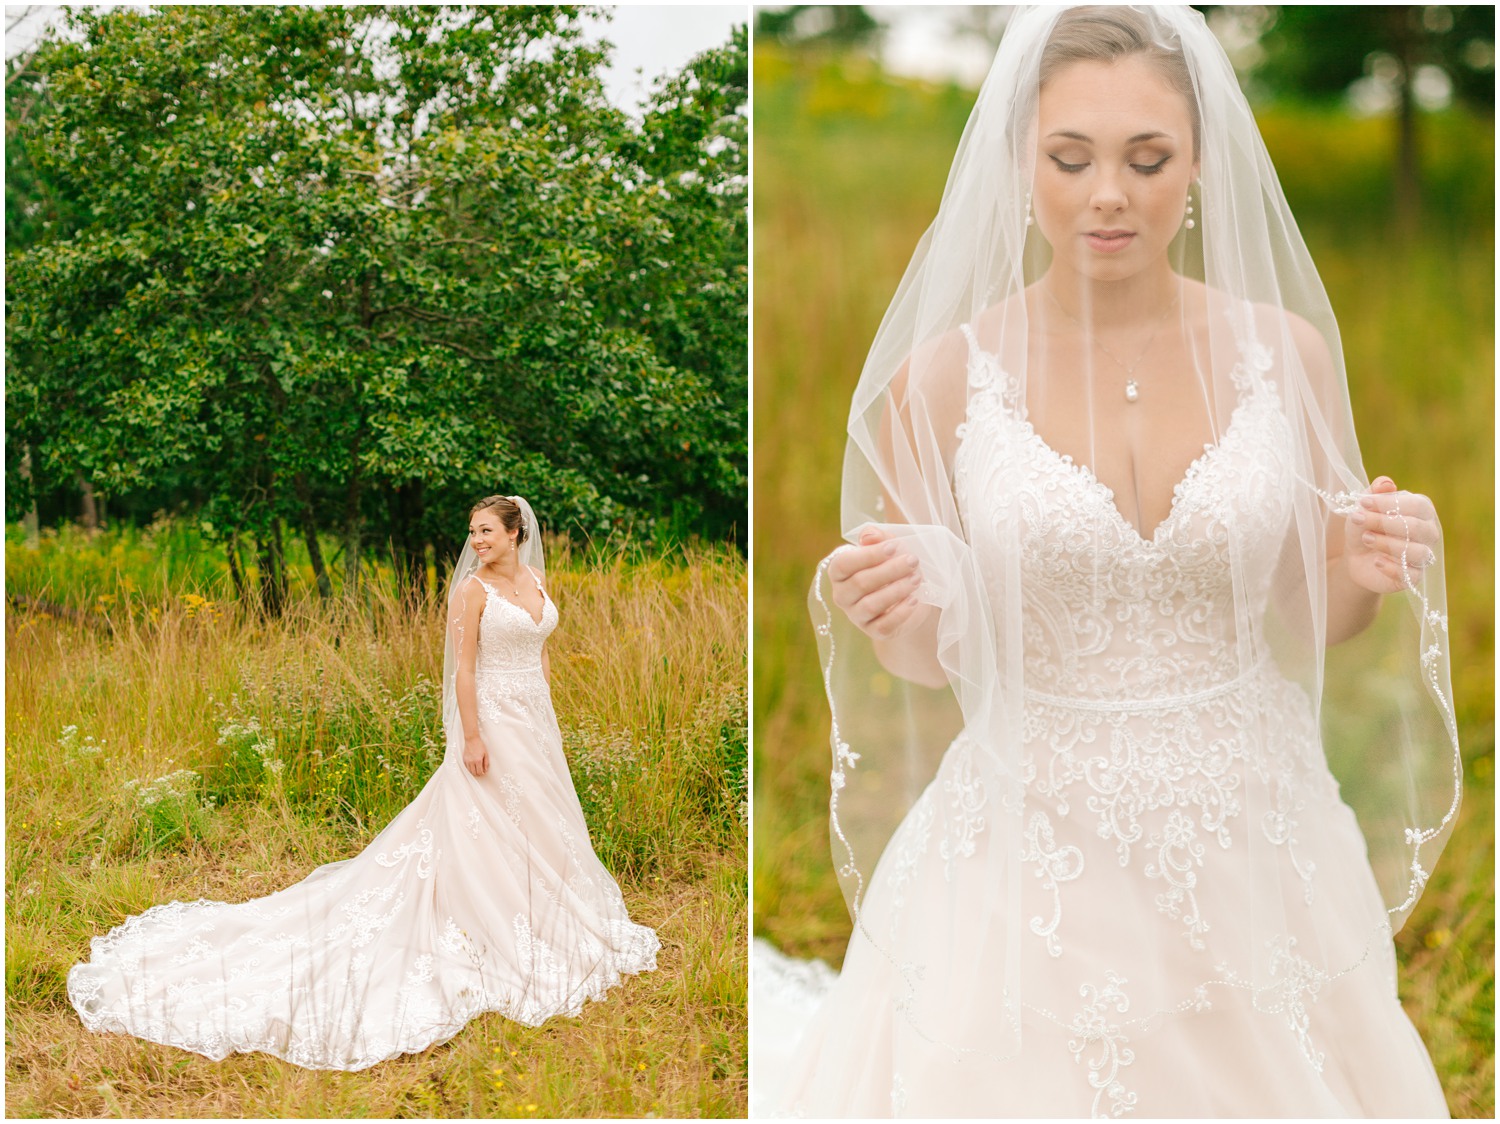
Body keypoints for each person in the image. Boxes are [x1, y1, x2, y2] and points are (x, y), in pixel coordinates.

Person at [753, 6, 1461, 1117]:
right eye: (1070, 158)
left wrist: (1365, 570)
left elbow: (1307, 614)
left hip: (1249, 822)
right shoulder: (941, 378)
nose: (1108, 195)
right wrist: (895, 605)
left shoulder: (1286, 353)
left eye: (1148, 158)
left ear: (1201, 165)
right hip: (1033, 844)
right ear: (1018, 164)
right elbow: (923, 664)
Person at [69, 495, 659, 1070]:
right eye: (473, 532)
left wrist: (548, 716)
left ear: (516, 535)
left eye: (486, 532)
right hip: (493, 721)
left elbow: (539, 652)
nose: (476, 541)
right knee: (485, 820)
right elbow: (464, 670)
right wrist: (472, 737)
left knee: (538, 818)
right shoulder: (470, 592)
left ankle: (548, 913)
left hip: (533, 721)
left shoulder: (535, 581)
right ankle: (491, 918)